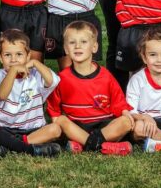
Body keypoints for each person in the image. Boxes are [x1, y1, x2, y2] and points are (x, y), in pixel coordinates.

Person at [46, 21, 133, 155]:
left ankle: (85, 145)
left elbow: (119, 102)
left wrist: (125, 113)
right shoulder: (61, 78)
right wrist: (57, 122)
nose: (77, 46)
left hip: (104, 126)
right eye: (72, 42)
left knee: (126, 122)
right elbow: (54, 109)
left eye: (84, 42)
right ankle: (106, 147)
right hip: (77, 126)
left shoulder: (105, 76)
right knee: (62, 121)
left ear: (94, 47)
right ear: (65, 48)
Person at [0, 29, 63, 157]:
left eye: (19, 54)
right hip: (5, 128)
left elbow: (52, 81)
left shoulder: (36, 75)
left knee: (55, 130)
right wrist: (13, 71)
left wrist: (35, 63)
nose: (13, 60)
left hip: (32, 129)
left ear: (28, 56)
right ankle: (30, 148)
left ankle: (11, 146)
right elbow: (1, 95)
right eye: (7, 55)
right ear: (0, 57)